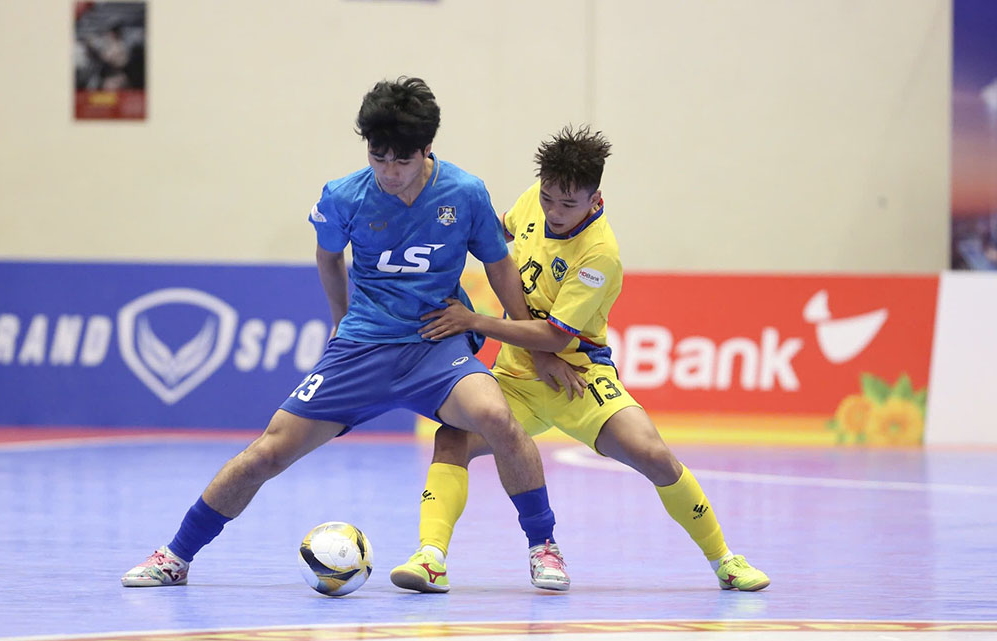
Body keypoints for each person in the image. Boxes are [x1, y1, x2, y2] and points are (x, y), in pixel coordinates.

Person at [121, 77, 569, 592]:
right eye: (379, 159)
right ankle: (175, 556)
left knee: (496, 418)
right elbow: (328, 257)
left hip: (436, 342)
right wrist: (341, 319)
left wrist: (529, 342)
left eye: (401, 162)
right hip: (360, 346)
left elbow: (499, 266)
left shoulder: (465, 193)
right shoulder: (343, 196)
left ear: (427, 149)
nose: (389, 173)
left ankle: (543, 547)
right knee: (268, 451)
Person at [390, 125, 769, 593]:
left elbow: (553, 337)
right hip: (516, 373)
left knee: (654, 456)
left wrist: (474, 321)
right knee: (450, 439)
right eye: (548, 197)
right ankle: (431, 557)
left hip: (579, 378)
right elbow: (491, 239)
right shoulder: (535, 199)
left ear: (595, 198)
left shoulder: (599, 254)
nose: (554, 211)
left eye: (568, 204)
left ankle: (724, 560)